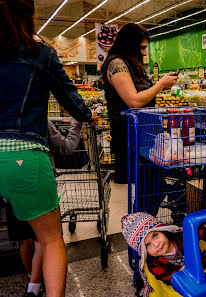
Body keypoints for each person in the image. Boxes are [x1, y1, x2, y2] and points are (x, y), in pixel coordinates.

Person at [0, 1, 96, 296]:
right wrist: (88, 115)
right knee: (51, 238)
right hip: (22, 154)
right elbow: (74, 103)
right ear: (29, 14)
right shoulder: (40, 54)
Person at [5, 119, 83, 297]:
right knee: (47, 239)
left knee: (24, 239)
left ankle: (33, 280)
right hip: (37, 180)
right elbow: (67, 147)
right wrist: (77, 122)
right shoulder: (40, 121)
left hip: (10, 183)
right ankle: (35, 285)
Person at [101, 23, 178, 184]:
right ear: (131, 45)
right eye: (142, 48)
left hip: (143, 134)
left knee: (152, 182)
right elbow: (134, 101)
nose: (144, 53)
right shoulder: (116, 64)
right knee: (145, 184)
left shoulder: (130, 64)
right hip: (130, 137)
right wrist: (161, 84)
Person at [121, 212, 206, 296]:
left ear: (163, 230)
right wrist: (181, 272)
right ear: (144, 251)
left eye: (155, 235)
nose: (156, 244)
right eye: (148, 245)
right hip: (186, 284)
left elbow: (202, 232)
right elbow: (166, 278)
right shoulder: (153, 263)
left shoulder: (181, 236)